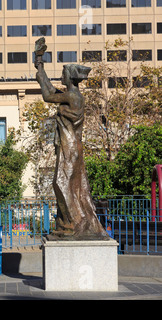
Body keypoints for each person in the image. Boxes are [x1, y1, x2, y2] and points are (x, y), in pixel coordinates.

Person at [34, 39, 109, 240]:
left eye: (63, 74)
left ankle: (73, 224)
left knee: (61, 183)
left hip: (70, 147)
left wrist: (40, 65)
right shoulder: (71, 95)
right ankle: (70, 223)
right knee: (71, 186)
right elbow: (50, 92)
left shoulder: (73, 97)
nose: (61, 76)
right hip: (69, 146)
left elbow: (48, 96)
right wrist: (39, 65)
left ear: (70, 77)